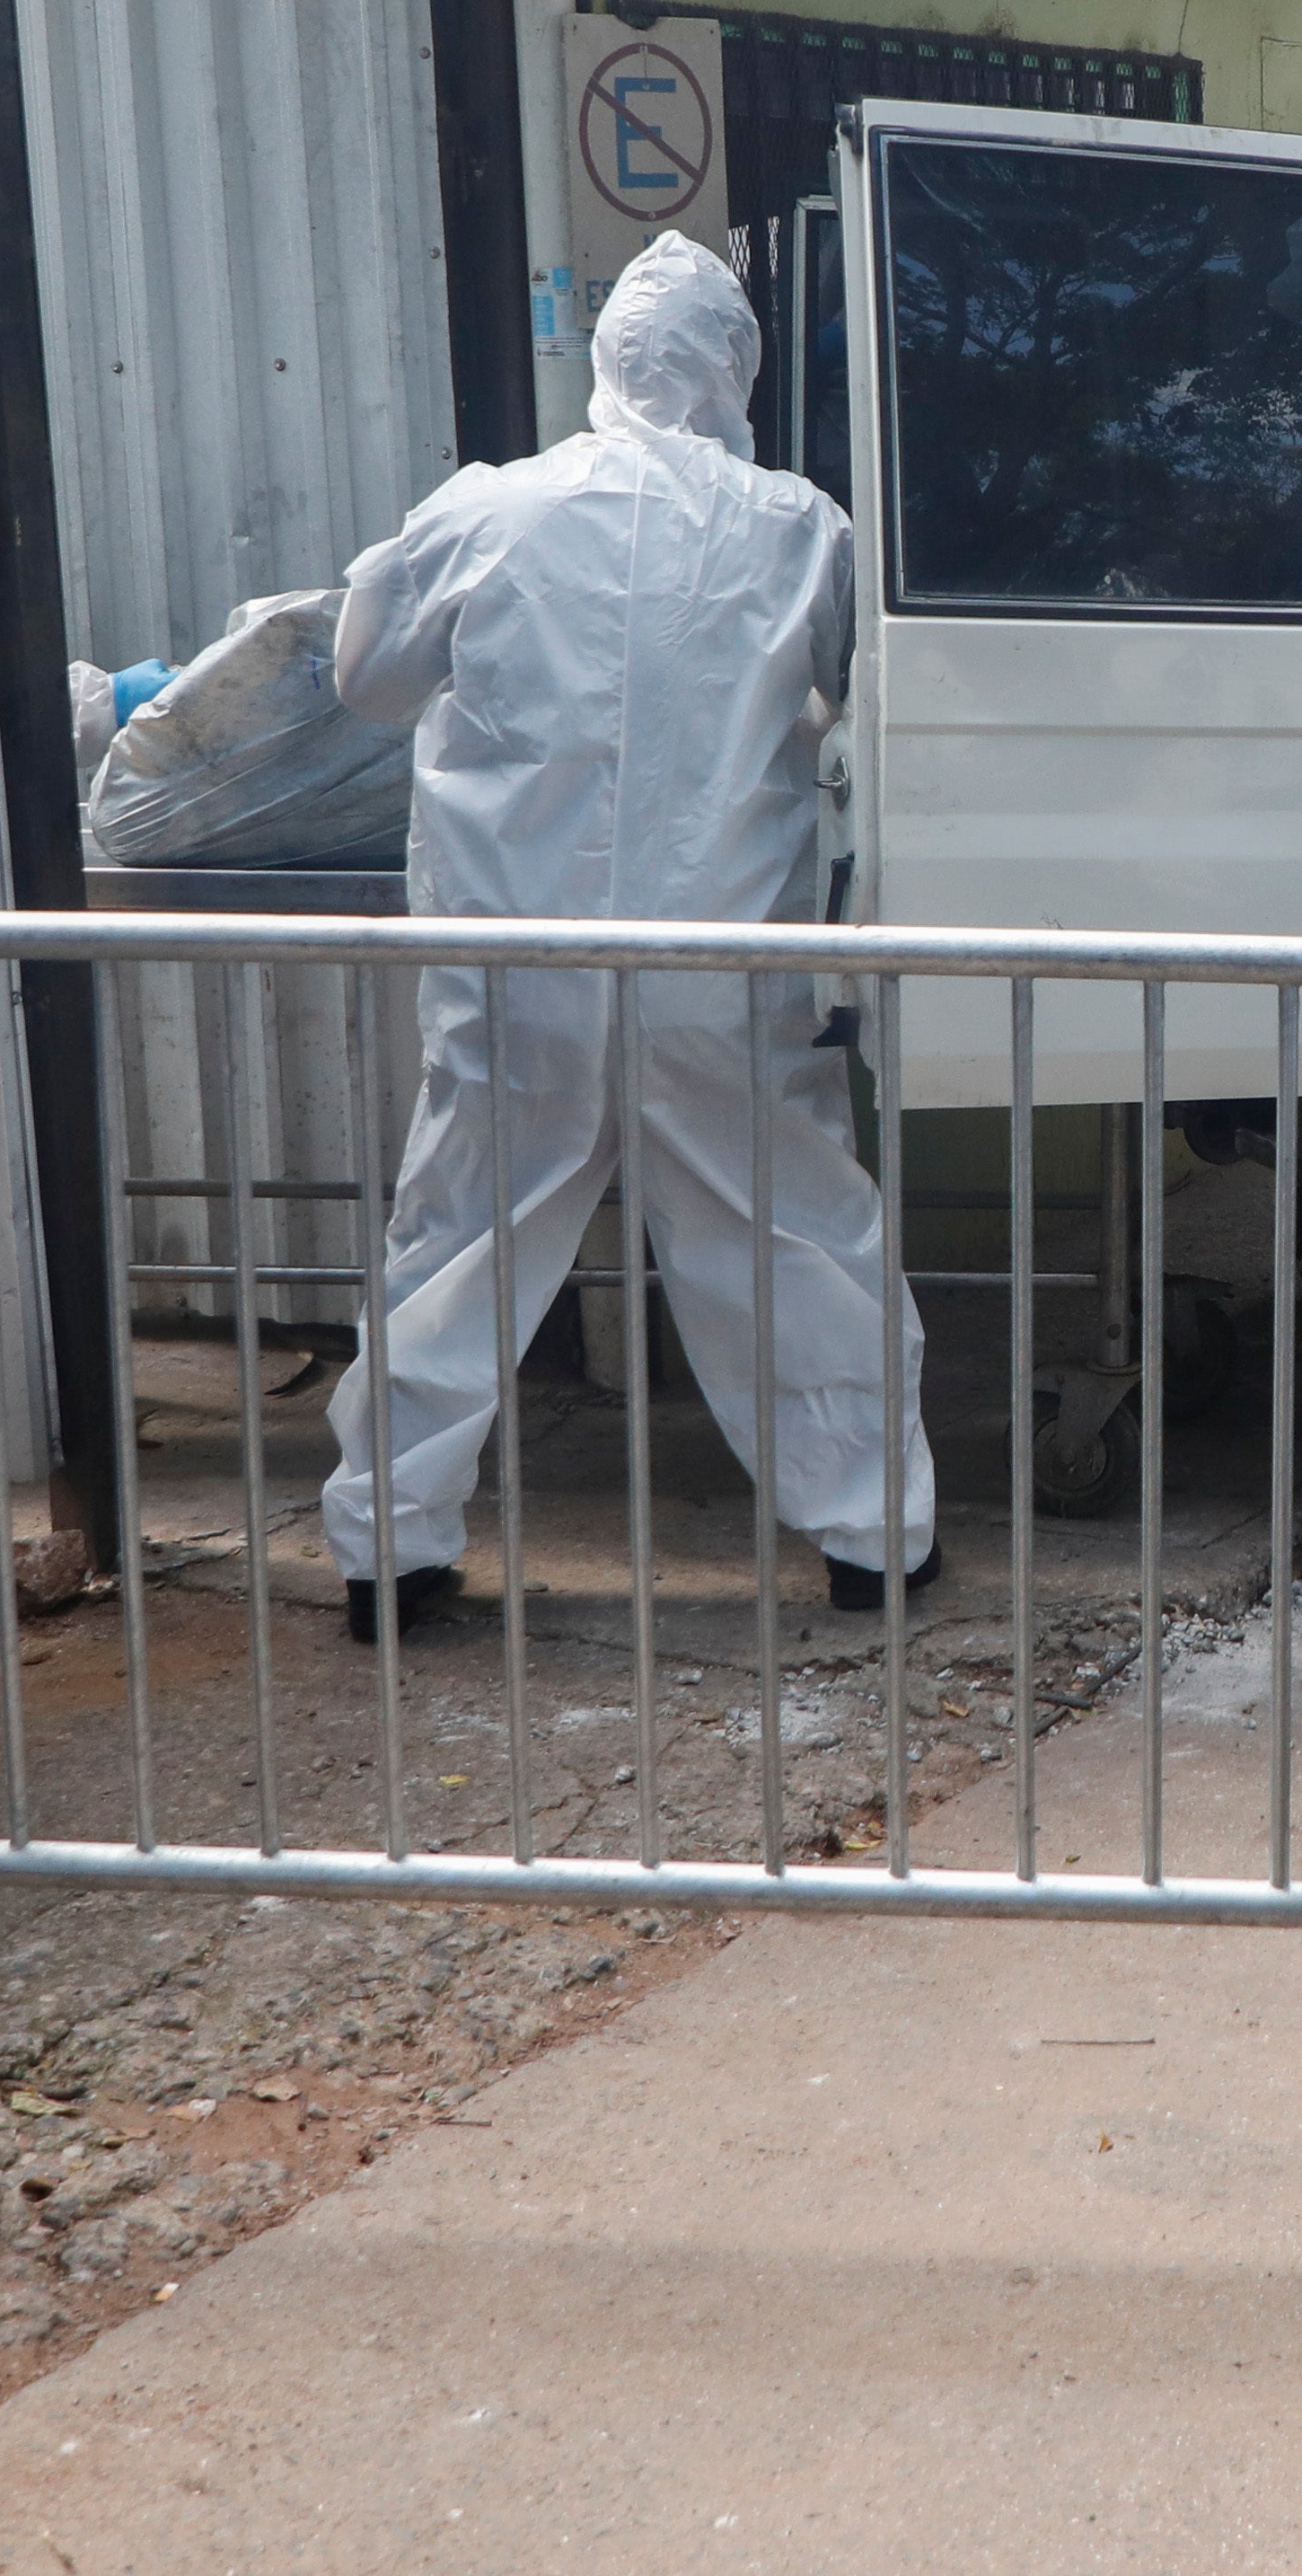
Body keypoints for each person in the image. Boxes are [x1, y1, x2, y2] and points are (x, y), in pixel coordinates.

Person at [321, 238, 935, 1626]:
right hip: (727, 967)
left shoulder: (490, 510)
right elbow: (870, 703)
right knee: (791, 1235)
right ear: (735, 367)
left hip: (518, 958)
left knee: (460, 1239)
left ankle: (390, 1556)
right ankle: (874, 1539)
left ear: (605, 364)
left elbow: (365, 683)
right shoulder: (802, 526)